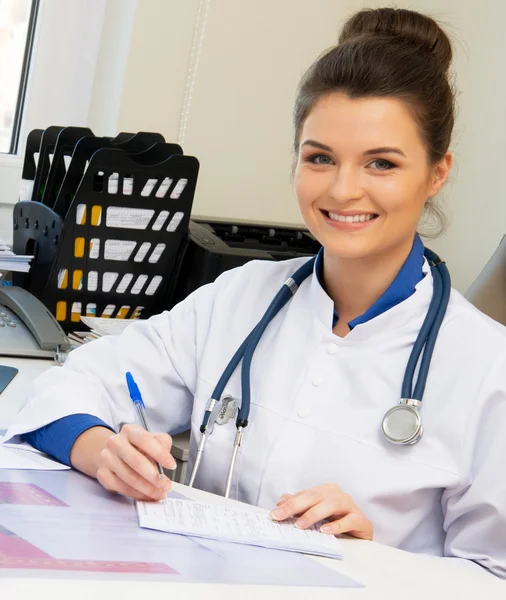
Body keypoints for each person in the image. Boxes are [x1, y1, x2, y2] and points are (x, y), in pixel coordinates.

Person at [4, 7, 506, 578]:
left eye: (382, 164)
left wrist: (378, 555)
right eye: (320, 157)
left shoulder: (489, 367)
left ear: (437, 172)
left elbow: (494, 574)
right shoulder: (241, 298)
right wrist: (102, 451)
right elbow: (66, 388)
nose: (343, 190)